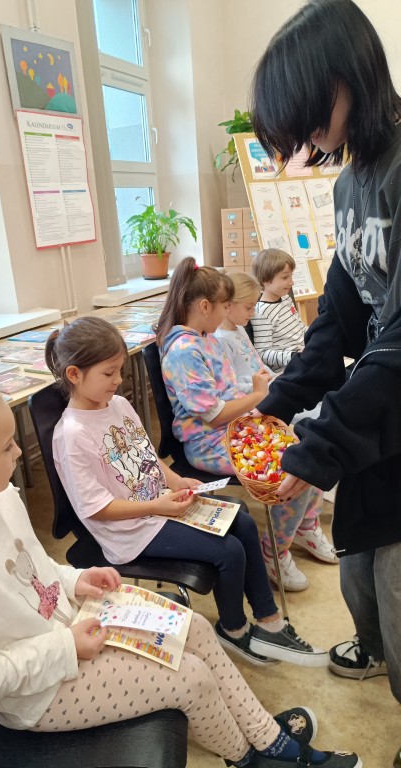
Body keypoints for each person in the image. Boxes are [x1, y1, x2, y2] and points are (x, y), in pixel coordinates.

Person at [0, 381, 363, 768]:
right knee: (190, 678)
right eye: (6, 446)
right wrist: (65, 647)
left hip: (74, 626)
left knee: (193, 628)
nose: (20, 451)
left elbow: (37, 568)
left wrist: (74, 579)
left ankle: (266, 738)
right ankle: (251, 757)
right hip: (38, 690)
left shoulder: (2, 497)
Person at [250, 1, 401, 762]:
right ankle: (371, 648)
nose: (305, 137)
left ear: (347, 78)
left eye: (308, 114)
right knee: (360, 559)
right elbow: (340, 316)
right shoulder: (349, 187)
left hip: (394, 404)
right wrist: (279, 404)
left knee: (400, 578)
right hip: (374, 409)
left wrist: (315, 441)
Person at [46, 315, 326, 669]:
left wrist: (173, 481)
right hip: (130, 531)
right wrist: (158, 506)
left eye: (120, 371)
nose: (118, 381)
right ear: (74, 374)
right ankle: (234, 630)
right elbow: (95, 509)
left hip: (158, 506)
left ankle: (269, 622)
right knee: (228, 551)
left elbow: (146, 453)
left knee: (240, 518)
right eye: (108, 373)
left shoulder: (116, 405)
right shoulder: (72, 435)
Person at [155, 258, 331, 662]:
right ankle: (275, 551)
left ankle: (290, 536)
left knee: (309, 455)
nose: (227, 314)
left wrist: (257, 396)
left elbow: (230, 389)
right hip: (208, 441)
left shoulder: (207, 338)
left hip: (234, 428)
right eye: (223, 306)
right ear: (205, 307)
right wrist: (256, 398)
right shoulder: (183, 349)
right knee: (290, 471)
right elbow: (212, 413)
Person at [215, 270, 337, 591]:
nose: (253, 314)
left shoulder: (239, 331)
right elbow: (230, 389)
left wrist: (277, 383)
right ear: (226, 307)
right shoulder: (219, 341)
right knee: (294, 462)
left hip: (267, 401)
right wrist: (263, 388)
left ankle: (306, 524)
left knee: (314, 438)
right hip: (247, 415)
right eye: (249, 307)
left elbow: (259, 367)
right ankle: (276, 547)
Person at [250, 249, 307, 372]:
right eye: (285, 277)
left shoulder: (286, 298)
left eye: (291, 275)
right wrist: (293, 356)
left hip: (305, 356)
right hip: (289, 367)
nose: (291, 282)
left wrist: (314, 336)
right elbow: (263, 353)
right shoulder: (262, 313)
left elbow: (300, 328)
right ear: (265, 279)